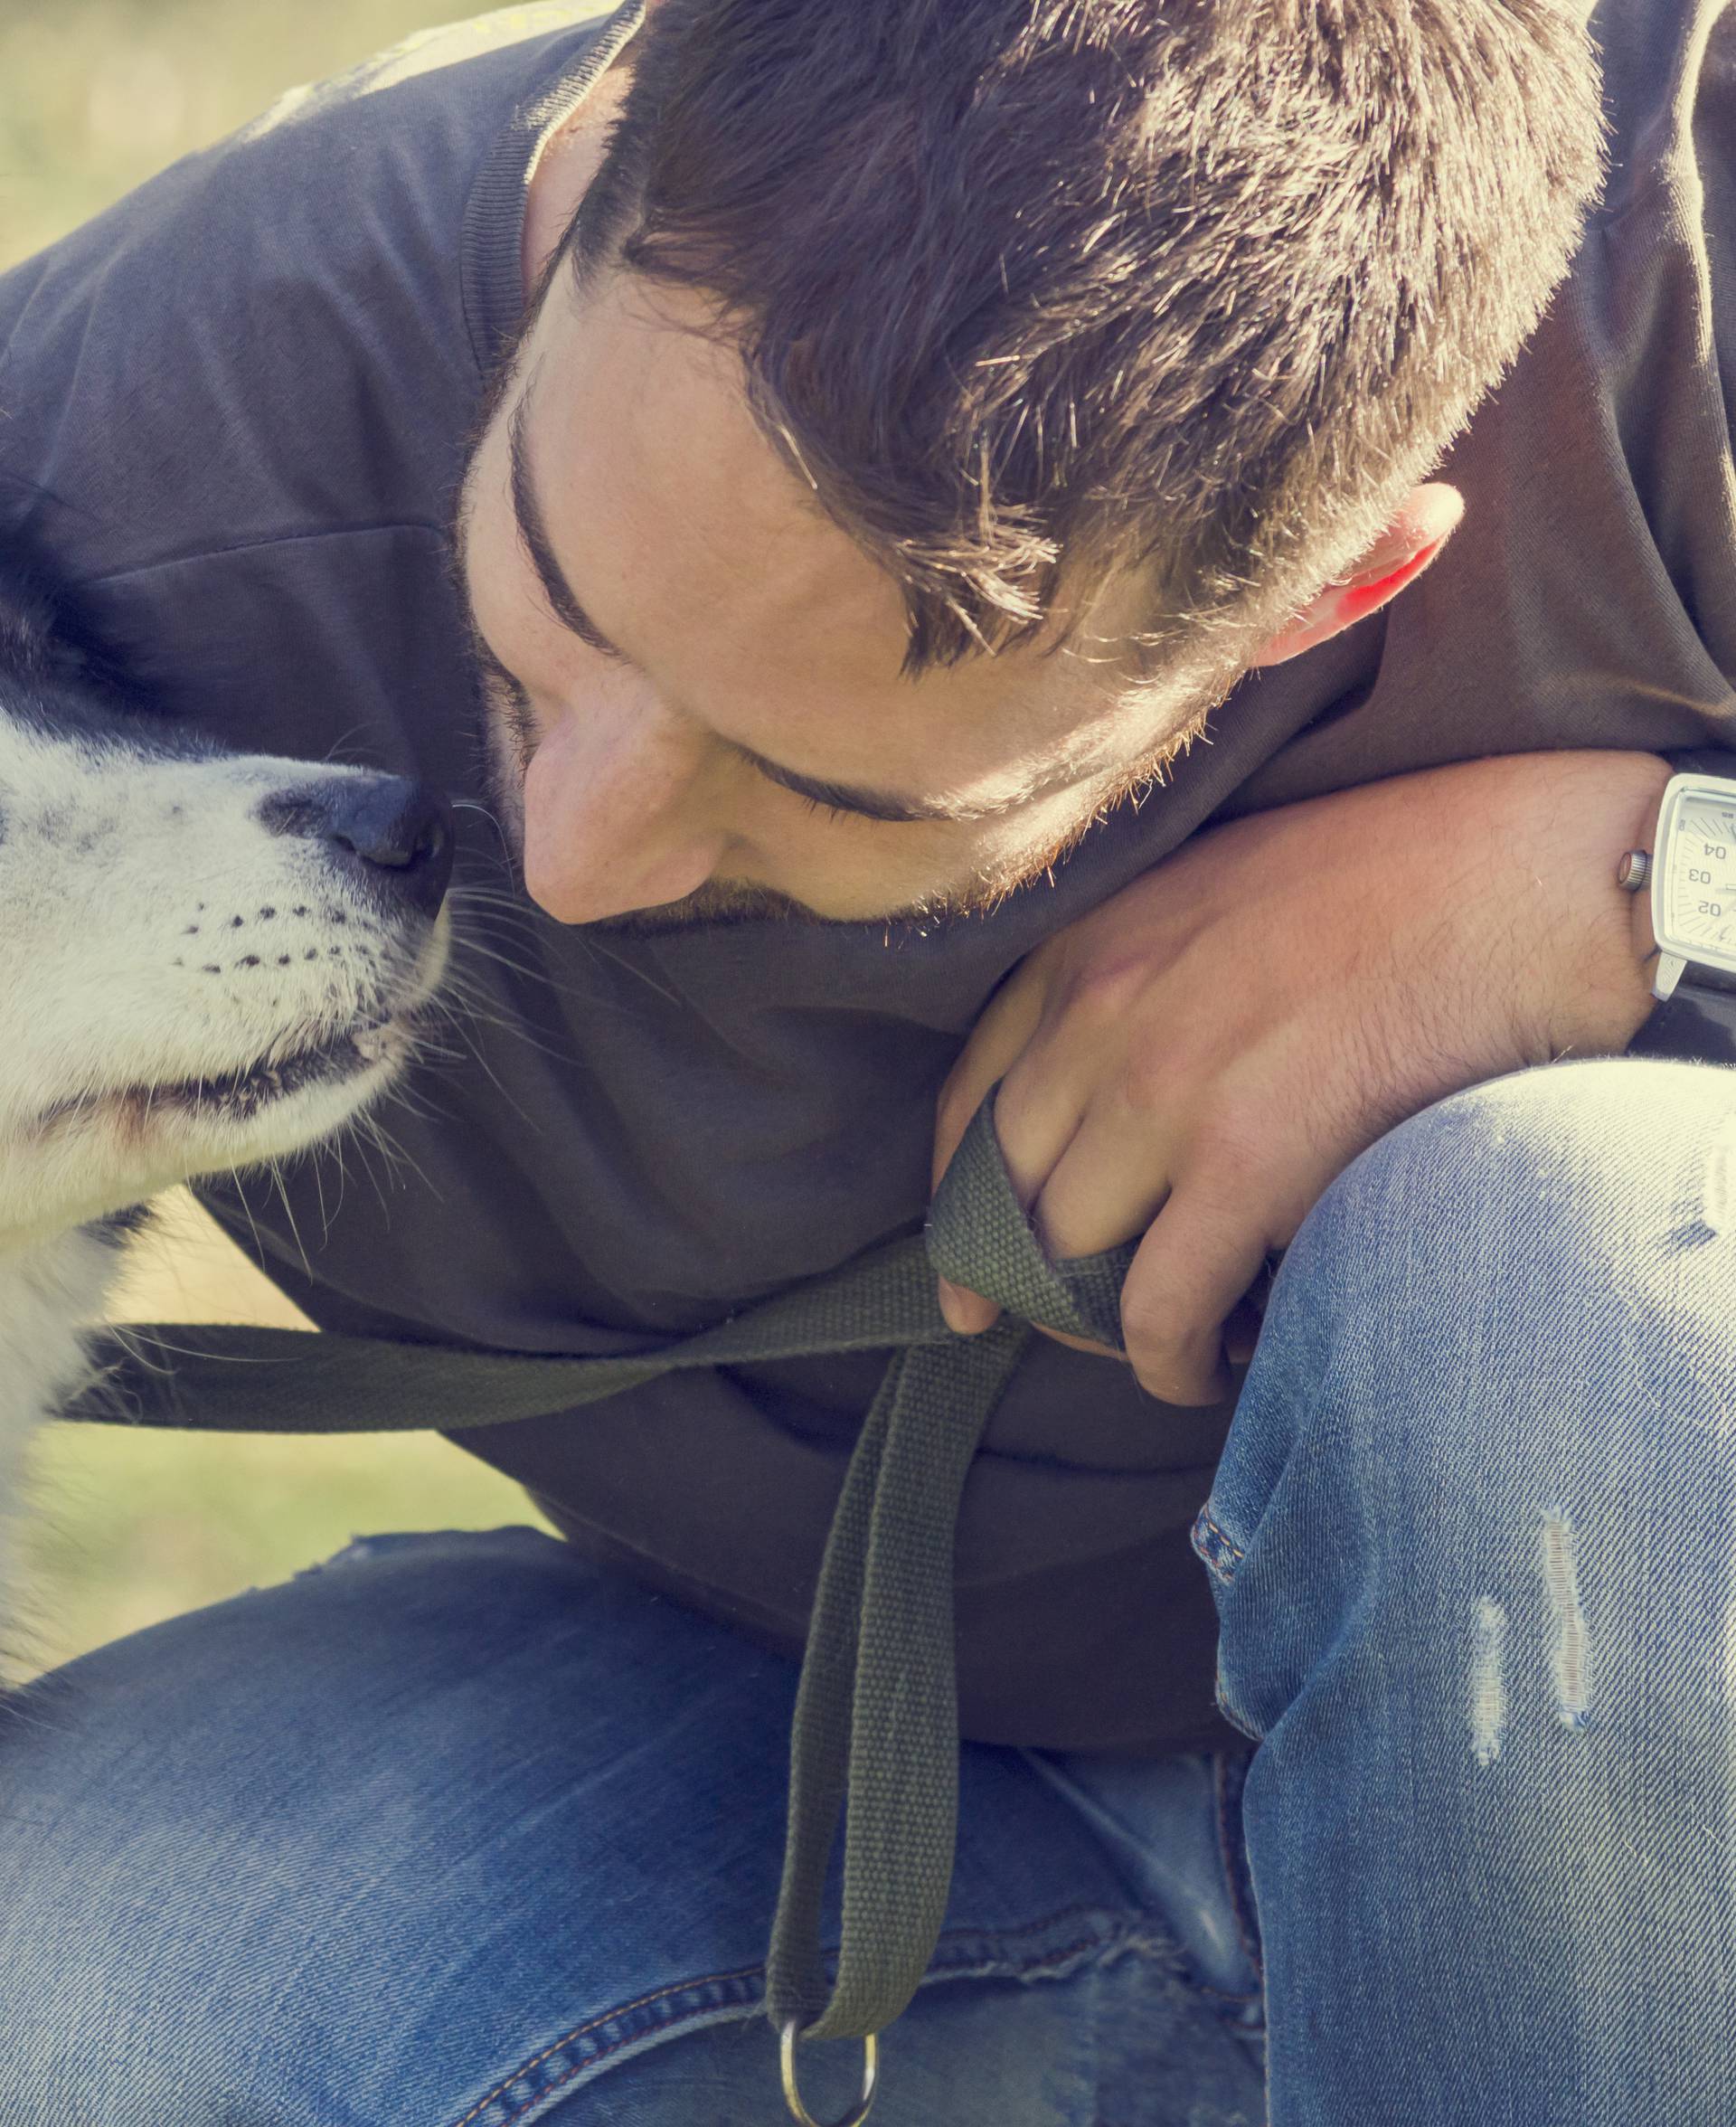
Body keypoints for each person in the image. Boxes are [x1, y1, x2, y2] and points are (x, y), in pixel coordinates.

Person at [1, 0, 1732, 2119]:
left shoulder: (1683, 283)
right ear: (619, 122)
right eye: (553, 623)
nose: (572, 860)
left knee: (1561, 1275)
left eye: (810, 789)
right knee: (65, 1995)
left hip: (1662, 1799)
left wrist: (1639, 874)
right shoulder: (124, 430)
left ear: (1328, 587)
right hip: (812, 1775)